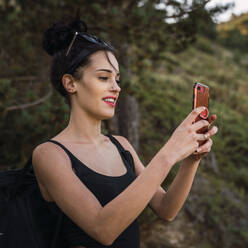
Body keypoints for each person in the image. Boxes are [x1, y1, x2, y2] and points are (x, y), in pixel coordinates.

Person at [32, 17, 218, 248]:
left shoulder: (121, 146)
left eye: (117, 79)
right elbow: (103, 229)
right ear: (71, 84)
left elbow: (166, 208)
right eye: (103, 77)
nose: (116, 87)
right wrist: (170, 151)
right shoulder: (50, 155)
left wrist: (191, 159)